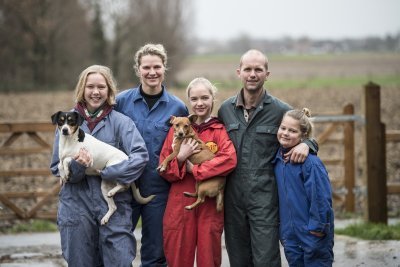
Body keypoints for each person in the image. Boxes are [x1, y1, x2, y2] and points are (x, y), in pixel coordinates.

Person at [217, 49, 318, 267]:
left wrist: (306, 145)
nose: (252, 74)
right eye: (248, 69)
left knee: (266, 260)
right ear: (239, 72)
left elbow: (305, 132)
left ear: (267, 74)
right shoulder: (225, 110)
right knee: (239, 260)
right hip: (232, 199)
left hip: (266, 199)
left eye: (258, 69)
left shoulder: (280, 110)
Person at [50, 65, 149, 267]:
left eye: (101, 87)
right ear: (82, 89)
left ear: (109, 90)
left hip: (113, 206)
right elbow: (56, 167)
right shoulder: (66, 124)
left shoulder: (122, 123)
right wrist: (78, 166)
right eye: (90, 86)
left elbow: (140, 157)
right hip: (76, 206)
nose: (96, 92)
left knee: (119, 262)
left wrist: (106, 172)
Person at [115, 43, 188, 266]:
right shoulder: (120, 102)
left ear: (165, 68)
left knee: (156, 251)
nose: (152, 72)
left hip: (159, 188)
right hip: (125, 185)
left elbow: (186, 142)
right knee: (117, 247)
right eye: (146, 67)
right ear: (138, 69)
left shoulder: (178, 108)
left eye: (157, 66)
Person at [158, 77, 237, 267]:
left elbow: (229, 160)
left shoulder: (218, 130)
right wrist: (180, 157)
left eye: (204, 98)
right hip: (180, 200)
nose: (199, 103)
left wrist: (197, 169)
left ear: (212, 99)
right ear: (188, 101)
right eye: (194, 99)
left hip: (209, 203)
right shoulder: (177, 129)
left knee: (208, 257)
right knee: (177, 255)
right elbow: (164, 168)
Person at [274, 108, 334, 267]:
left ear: (303, 135)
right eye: (283, 128)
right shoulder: (278, 160)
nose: (285, 133)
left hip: (312, 233)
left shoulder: (310, 163)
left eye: (292, 131)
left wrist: (318, 227)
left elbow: (321, 197)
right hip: (290, 235)